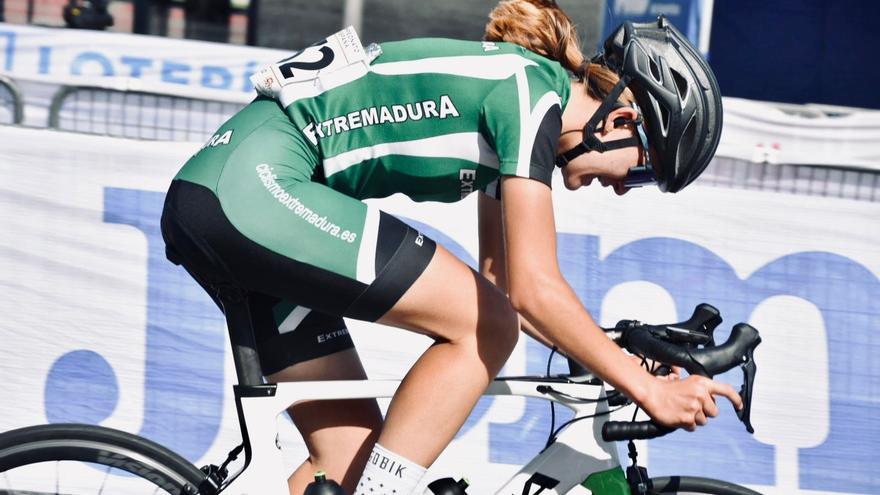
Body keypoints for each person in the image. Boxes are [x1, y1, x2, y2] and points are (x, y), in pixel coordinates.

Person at [160, 1, 739, 493]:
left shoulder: (523, 100)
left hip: (227, 197)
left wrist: (619, 361)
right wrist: (646, 389)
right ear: (624, 119)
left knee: (344, 466)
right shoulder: (531, 95)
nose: (622, 190)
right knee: (485, 328)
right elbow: (530, 295)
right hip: (252, 191)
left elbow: (508, 285)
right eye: (640, 174)